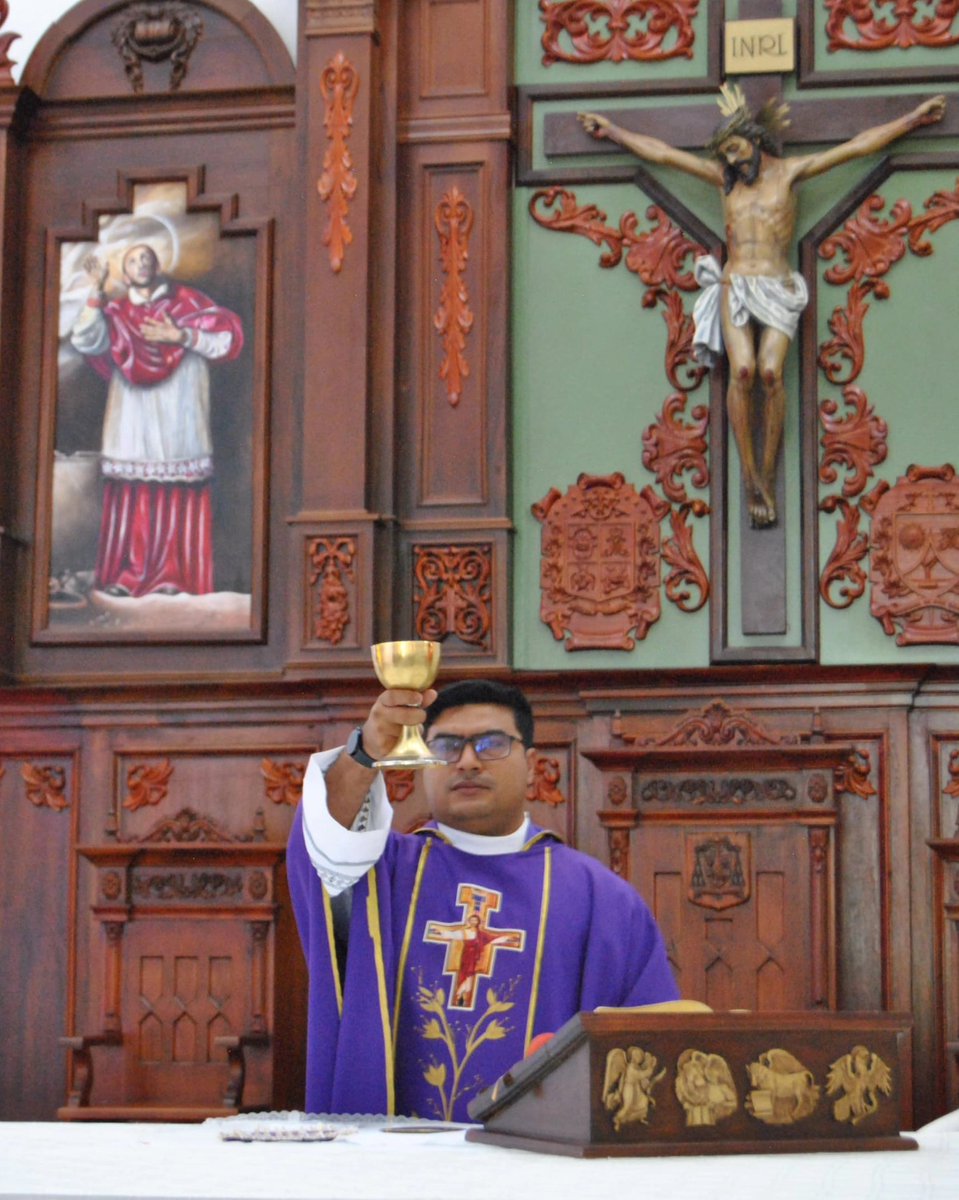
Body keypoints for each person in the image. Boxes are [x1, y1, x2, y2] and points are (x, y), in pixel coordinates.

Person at [287, 679, 678, 1122]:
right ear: (421, 764)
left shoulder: (602, 901)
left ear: (532, 765)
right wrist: (365, 752)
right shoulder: (379, 874)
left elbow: (647, 1057)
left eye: (492, 744)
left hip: (540, 1175)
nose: (468, 761)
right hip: (393, 1170)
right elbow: (321, 848)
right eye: (448, 746)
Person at [580, 87, 946, 528]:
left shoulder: (789, 173)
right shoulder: (724, 181)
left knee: (771, 374)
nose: (732, 161)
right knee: (743, 371)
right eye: (726, 154)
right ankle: (752, 478)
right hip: (736, 283)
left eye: (735, 149)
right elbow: (664, 155)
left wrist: (913, 121)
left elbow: (855, 148)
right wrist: (614, 132)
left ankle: (767, 473)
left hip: (776, 285)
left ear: (753, 139)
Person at [70, 243, 244, 596]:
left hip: (179, 413)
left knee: (178, 493)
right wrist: (97, 292)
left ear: (158, 265)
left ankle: (175, 578)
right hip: (134, 417)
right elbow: (86, 340)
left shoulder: (188, 303)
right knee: (136, 495)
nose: (141, 264)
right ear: (124, 271)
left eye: (146, 258)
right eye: (133, 260)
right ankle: (128, 577)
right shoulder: (116, 310)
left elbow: (224, 341)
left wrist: (180, 335)